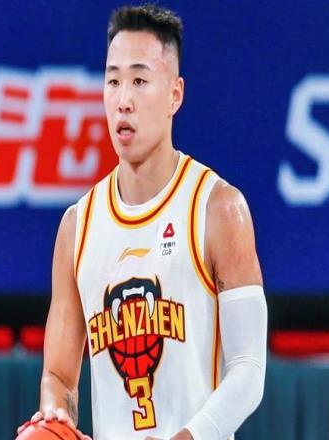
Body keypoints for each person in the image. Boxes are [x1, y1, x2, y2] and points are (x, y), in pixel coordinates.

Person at [18, 4, 267, 440]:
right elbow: (58, 375)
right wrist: (55, 413)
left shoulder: (218, 208)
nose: (123, 100)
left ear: (175, 94)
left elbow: (249, 371)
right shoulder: (77, 227)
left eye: (139, 80)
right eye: (112, 81)